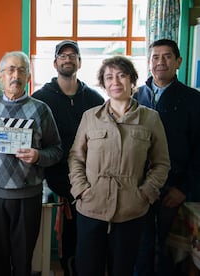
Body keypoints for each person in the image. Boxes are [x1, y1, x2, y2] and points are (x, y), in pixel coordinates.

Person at [68, 56, 170, 276]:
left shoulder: (150, 118)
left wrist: (145, 193)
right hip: (91, 207)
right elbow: (76, 157)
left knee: (122, 269)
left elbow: (161, 163)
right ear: (103, 84)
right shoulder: (90, 117)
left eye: (122, 75)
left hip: (130, 211)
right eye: (109, 77)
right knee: (87, 269)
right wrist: (81, 189)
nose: (115, 81)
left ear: (132, 81)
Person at [0, 51, 63, 276]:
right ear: (1, 75)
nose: (16, 75)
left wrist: (38, 156)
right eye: (11, 70)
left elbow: (57, 150)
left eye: (22, 70)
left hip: (27, 196)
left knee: (23, 259)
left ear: (28, 76)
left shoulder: (41, 109)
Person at [32, 40, 105, 276]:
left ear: (80, 62)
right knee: (56, 237)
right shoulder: (41, 98)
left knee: (87, 236)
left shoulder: (94, 98)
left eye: (73, 55)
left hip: (89, 178)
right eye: (62, 55)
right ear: (55, 63)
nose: (67, 59)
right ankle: (63, 266)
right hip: (51, 178)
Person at [133, 38, 200, 276]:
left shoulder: (194, 100)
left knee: (170, 254)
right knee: (140, 250)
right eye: (155, 57)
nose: (160, 62)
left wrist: (184, 188)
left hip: (174, 190)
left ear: (178, 62)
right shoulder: (135, 97)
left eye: (167, 56)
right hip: (138, 189)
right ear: (149, 62)